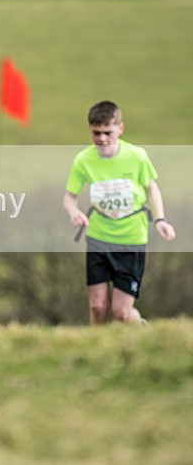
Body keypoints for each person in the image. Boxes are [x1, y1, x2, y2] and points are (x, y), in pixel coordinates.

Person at [63, 100, 175, 325]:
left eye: (108, 133)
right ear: (90, 130)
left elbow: (151, 188)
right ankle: (97, 344)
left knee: (121, 313)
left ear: (120, 129)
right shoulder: (83, 160)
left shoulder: (137, 156)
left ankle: (140, 327)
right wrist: (73, 211)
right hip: (98, 237)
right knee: (98, 306)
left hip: (131, 239)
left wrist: (160, 219)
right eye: (96, 133)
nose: (102, 139)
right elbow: (69, 196)